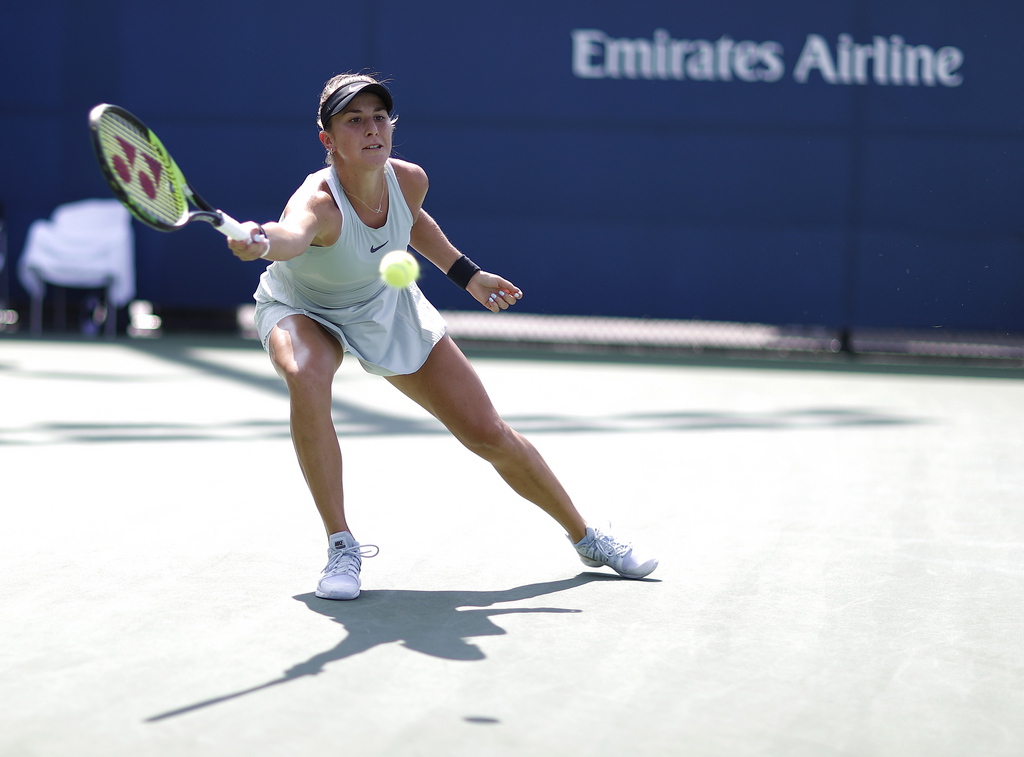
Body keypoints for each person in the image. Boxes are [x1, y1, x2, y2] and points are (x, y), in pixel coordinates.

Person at [227, 73, 657, 600]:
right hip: (301, 306)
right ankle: (341, 544)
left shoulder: (408, 179)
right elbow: (290, 236)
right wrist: (261, 240)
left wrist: (467, 274)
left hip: (383, 305)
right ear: (328, 140)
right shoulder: (318, 203)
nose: (371, 129)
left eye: (380, 117)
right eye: (353, 120)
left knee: (486, 432)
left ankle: (587, 537)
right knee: (306, 373)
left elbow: (412, 222)